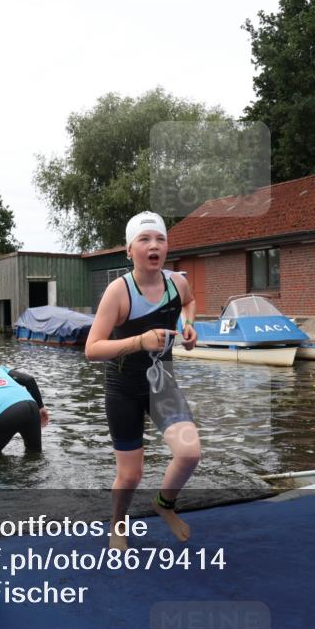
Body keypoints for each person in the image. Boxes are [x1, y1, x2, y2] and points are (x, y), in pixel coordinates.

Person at [85, 211, 201, 550]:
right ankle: (118, 523)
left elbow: (189, 302)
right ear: (129, 250)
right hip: (123, 388)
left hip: (161, 383)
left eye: (160, 239)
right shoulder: (118, 292)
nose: (154, 246)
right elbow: (92, 349)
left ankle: (164, 504)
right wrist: (140, 341)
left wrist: (188, 326)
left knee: (189, 453)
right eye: (144, 239)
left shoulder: (177, 283)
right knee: (130, 475)